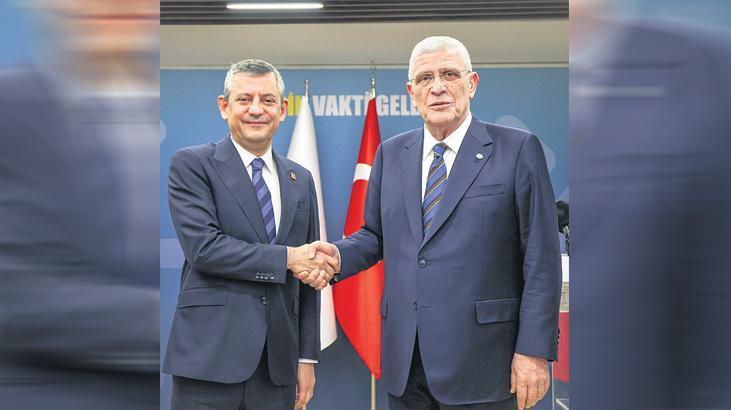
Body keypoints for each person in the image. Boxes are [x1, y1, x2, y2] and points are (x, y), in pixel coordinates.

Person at [313, 36, 561, 409]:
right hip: (406, 363)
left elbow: (541, 258)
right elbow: (375, 235)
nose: (438, 87)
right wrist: (335, 257)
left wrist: (534, 351)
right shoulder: (391, 153)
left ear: (472, 83)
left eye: (449, 74)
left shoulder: (517, 149)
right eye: (425, 78)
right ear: (411, 92)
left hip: (485, 365)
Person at [162, 59, 336, 410]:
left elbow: (307, 279)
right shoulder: (193, 164)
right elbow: (205, 249)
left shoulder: (300, 179)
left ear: (282, 110)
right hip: (209, 360)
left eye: (268, 100)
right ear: (224, 106)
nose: (256, 109)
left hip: (277, 367)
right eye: (244, 99)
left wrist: (306, 357)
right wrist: (289, 258)